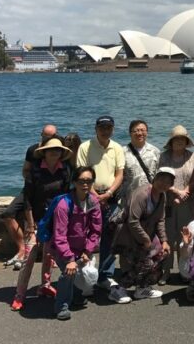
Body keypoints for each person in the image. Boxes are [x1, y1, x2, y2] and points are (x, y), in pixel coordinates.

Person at [11, 138, 73, 311]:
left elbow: (67, 197)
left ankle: (45, 285)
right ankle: (20, 294)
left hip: (56, 220)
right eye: (51, 149)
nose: (54, 152)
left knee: (49, 255)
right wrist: (30, 224)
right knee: (29, 259)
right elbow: (27, 199)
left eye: (58, 149)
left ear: (62, 152)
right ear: (44, 152)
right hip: (36, 220)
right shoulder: (35, 172)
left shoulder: (65, 171)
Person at [47, 166, 103, 320]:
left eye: (89, 181)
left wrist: (88, 250)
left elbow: (96, 229)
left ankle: (76, 296)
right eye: (81, 181)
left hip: (82, 247)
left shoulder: (93, 202)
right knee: (69, 273)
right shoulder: (64, 205)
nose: (85, 184)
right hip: (61, 248)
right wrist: (69, 259)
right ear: (74, 182)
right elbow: (60, 236)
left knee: (83, 272)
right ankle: (61, 306)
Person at [76, 115, 125, 293]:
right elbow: (81, 174)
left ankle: (105, 276)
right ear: (96, 129)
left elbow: (120, 173)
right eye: (102, 128)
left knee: (110, 239)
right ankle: (81, 276)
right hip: (89, 198)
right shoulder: (85, 147)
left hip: (111, 197)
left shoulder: (117, 148)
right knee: (85, 236)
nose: (106, 131)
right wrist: (95, 195)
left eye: (109, 128)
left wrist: (110, 192)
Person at [112, 167, 175, 301]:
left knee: (160, 255)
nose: (163, 183)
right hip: (129, 235)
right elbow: (132, 221)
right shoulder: (142, 194)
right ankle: (118, 289)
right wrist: (146, 240)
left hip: (145, 234)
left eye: (168, 182)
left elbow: (160, 219)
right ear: (154, 179)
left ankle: (141, 288)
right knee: (145, 263)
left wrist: (164, 240)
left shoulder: (162, 196)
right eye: (161, 179)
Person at [3, 124, 57, 270]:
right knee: (8, 214)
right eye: (45, 136)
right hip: (31, 188)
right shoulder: (32, 150)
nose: (47, 139)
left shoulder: (57, 150)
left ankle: (53, 254)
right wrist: (32, 183)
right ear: (41, 135)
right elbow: (25, 170)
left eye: (51, 137)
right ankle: (21, 249)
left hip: (49, 190)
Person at [158, 125, 194, 285]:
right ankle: (165, 271)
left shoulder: (193, 157)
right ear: (171, 141)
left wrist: (185, 193)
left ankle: (185, 270)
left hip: (187, 203)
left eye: (183, 139)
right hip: (167, 202)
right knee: (167, 236)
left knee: (186, 237)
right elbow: (160, 178)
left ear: (186, 141)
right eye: (177, 139)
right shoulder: (164, 157)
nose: (180, 141)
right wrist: (176, 192)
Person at [122, 119, 161, 207]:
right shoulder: (122, 152)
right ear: (130, 133)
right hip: (129, 200)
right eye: (136, 131)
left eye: (142, 130)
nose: (139, 133)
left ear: (147, 132)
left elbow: (159, 175)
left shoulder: (155, 151)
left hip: (151, 199)